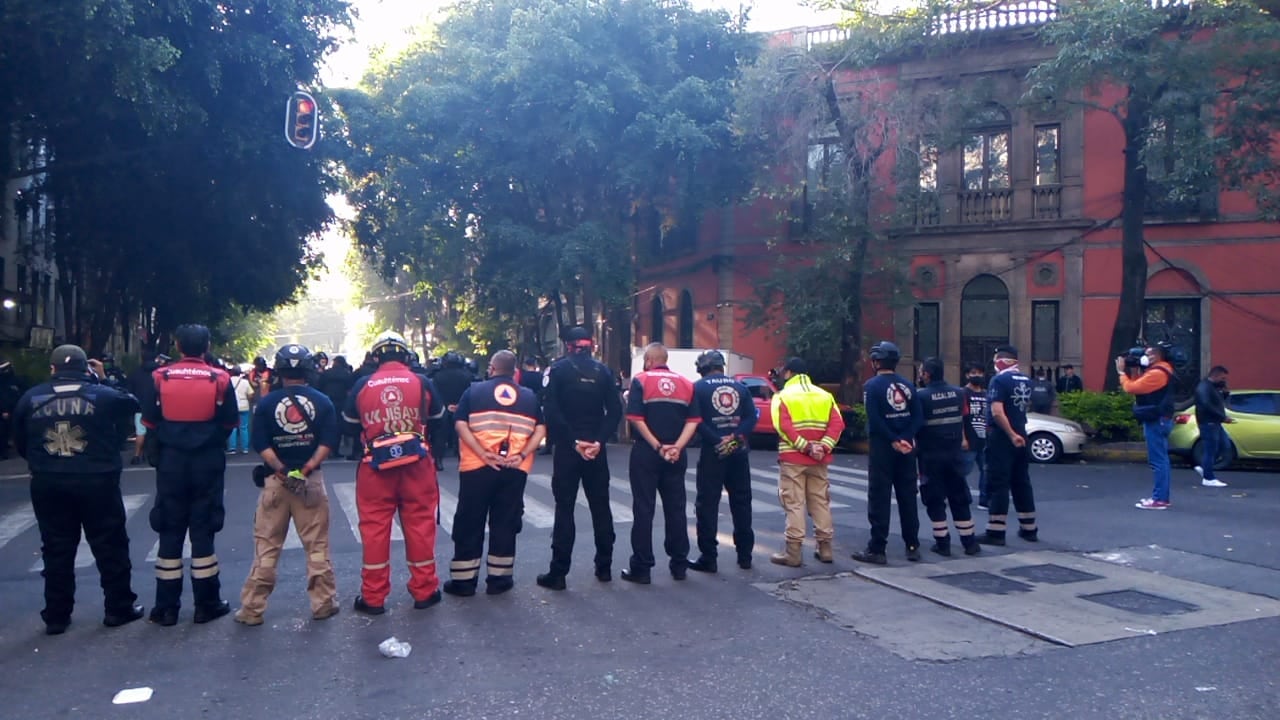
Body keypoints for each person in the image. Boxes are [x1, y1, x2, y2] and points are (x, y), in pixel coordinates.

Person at [13, 346, 144, 635]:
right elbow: (133, 404)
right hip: (97, 479)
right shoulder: (103, 394)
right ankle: (118, 608)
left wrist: (42, 462)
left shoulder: (31, 397)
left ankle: (56, 616)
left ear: (52, 369)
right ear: (87, 368)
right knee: (110, 545)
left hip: (49, 481)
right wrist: (103, 378)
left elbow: (20, 440)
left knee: (56, 548)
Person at [140, 324, 240, 626]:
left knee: (169, 528)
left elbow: (150, 421)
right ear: (206, 346)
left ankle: (166, 608)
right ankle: (206, 604)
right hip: (206, 461)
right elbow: (230, 422)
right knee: (203, 528)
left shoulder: (160, 377)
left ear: (177, 346)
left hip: (171, 462)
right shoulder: (220, 379)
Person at [235, 345, 340, 626]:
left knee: (267, 547)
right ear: (308, 370)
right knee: (316, 546)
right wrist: (304, 470)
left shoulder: (267, 404)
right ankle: (323, 604)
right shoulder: (323, 402)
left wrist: (281, 470)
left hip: (275, 482)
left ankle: (252, 609)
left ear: (279, 370)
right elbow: (328, 443)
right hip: (310, 482)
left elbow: (261, 443)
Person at [343, 331, 445, 614]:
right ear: (405, 355)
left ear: (376, 357)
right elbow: (438, 420)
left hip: (375, 466)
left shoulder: (364, 384)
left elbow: (349, 424)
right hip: (417, 464)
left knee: (375, 530)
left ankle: (373, 598)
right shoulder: (422, 382)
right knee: (421, 526)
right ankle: (425, 592)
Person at [444, 351, 546, 597]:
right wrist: (521, 456)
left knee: (470, 521)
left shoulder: (474, 392)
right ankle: (499, 580)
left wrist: (482, 453)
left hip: (477, 468)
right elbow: (541, 429)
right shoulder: (529, 397)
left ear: (491, 368)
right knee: (505, 521)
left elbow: (460, 424)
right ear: (514, 371)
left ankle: (464, 582)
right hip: (514, 468)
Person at [536, 327, 622, 590]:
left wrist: (573, 442)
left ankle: (558, 572)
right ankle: (605, 567)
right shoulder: (604, 371)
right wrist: (598, 441)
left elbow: (551, 411)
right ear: (590, 345)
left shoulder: (558, 370)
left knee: (565, 509)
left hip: (568, 449)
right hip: (596, 449)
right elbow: (615, 410)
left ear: (568, 345)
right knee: (601, 507)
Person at [622, 343, 699, 583]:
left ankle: (642, 568)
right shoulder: (686, 384)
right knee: (676, 508)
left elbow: (636, 418)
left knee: (644, 509)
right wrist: (676, 446)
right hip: (677, 455)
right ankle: (679, 565)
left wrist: (658, 446)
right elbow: (694, 420)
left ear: (647, 360)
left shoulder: (641, 381)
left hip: (647, 453)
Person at [769, 357, 845, 567]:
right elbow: (837, 424)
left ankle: (793, 552)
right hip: (819, 460)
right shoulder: (825, 396)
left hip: (793, 458)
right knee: (820, 501)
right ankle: (825, 548)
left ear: (788, 373)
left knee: (794, 504)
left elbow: (783, 426)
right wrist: (823, 446)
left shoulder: (783, 396)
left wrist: (806, 446)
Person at [852, 342, 922, 565]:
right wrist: (905, 438)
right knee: (907, 497)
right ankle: (912, 546)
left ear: (876, 362)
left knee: (880, 498)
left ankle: (877, 548)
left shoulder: (871, 386)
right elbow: (918, 417)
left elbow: (874, 418)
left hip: (883, 447)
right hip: (907, 447)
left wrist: (892, 440)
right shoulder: (908, 385)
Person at [689, 350, 758, 573]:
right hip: (738, 452)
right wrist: (736, 437)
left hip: (713, 452)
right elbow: (751, 416)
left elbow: (695, 420)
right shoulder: (740, 387)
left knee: (707, 504)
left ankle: (709, 557)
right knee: (741, 502)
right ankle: (745, 555)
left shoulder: (697, 388)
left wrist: (717, 440)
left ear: (703, 368)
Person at [915, 358, 980, 557]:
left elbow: (916, 426)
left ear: (926, 374)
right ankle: (970, 542)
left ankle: (943, 543)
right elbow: (966, 421)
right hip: (955, 454)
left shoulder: (921, 397)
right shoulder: (960, 393)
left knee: (934, 499)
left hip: (930, 456)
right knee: (959, 497)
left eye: (921, 371)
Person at [981, 345, 1038, 543]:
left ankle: (996, 531)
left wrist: (1011, 434)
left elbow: (997, 411)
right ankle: (1029, 528)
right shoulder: (1026, 380)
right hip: (1022, 432)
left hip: (1003, 436)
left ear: (1001, 360)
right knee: (1021, 481)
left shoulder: (999, 380)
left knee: (999, 482)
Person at [1117, 341, 1177, 510]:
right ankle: (1161, 497)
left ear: (1157, 356)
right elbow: (1140, 387)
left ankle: (1159, 499)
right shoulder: (1159, 370)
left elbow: (1131, 388)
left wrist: (1122, 372)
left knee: (1158, 461)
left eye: (1149, 354)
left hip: (1156, 419)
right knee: (1161, 460)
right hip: (1161, 418)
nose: (1145, 356)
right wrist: (1135, 371)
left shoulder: (1157, 373)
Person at [431, 351, 474, 471]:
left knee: (440, 436)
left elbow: (435, 393)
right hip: (462, 407)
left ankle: (438, 461)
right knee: (460, 436)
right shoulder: (467, 375)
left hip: (443, 407)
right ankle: (462, 459)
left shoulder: (438, 376)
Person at [1193, 366, 1233, 489]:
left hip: (1215, 422)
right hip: (1208, 422)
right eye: (1222, 378)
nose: (1223, 380)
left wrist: (1225, 391)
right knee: (1210, 449)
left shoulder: (1214, 387)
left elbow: (1218, 401)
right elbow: (1206, 405)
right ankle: (1208, 478)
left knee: (1225, 446)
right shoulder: (1204, 387)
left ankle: (1205, 468)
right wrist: (1222, 417)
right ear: (1215, 375)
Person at [961, 364, 990, 509]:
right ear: (967, 375)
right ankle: (963, 496)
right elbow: (960, 418)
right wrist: (963, 438)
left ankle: (984, 500)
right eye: (973, 372)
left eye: (980, 373)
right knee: (962, 471)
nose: (977, 375)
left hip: (984, 440)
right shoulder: (963, 393)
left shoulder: (987, 394)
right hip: (969, 439)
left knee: (986, 470)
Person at [317, 355, 356, 458]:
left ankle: (326, 449)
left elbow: (319, 387)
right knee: (338, 426)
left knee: (326, 426)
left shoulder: (326, 374)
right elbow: (350, 390)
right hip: (341, 402)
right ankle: (335, 450)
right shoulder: (346, 374)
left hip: (326, 401)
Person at [126, 352, 158, 466]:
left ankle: (136, 455)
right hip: (157, 408)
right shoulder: (159, 373)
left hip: (140, 408)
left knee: (140, 432)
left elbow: (129, 391)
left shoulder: (135, 373)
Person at [227, 367, 253, 454]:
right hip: (244, 406)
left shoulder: (228, 381)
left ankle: (232, 448)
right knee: (244, 427)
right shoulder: (245, 382)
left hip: (231, 407)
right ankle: (245, 448)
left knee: (232, 427)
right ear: (240, 373)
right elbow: (251, 394)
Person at [0, 360, 22, 459]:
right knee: (3, 430)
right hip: (5, 410)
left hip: (15, 408)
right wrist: (3, 410)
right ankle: (3, 451)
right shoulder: (3, 381)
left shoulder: (15, 381)